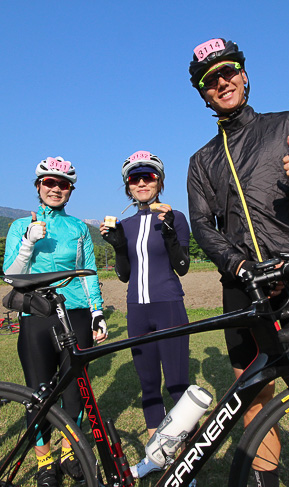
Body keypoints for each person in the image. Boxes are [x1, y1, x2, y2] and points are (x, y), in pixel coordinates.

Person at [186, 39, 289, 487]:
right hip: (244, 286)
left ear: (243, 74)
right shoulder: (202, 160)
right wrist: (237, 265)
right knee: (256, 397)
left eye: (228, 72)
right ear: (203, 94)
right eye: (209, 80)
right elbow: (202, 225)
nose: (221, 83)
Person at [4, 156, 108, 487]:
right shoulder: (21, 226)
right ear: (38, 187)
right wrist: (29, 243)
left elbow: (89, 273)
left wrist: (97, 312)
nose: (56, 189)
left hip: (74, 313)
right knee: (39, 391)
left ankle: (67, 451)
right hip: (35, 313)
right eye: (49, 183)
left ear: (70, 191)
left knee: (75, 392)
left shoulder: (79, 228)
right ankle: (44, 459)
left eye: (63, 184)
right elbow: (11, 276)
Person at [99, 151, 191, 480]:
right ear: (128, 185)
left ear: (159, 182)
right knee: (149, 385)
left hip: (168, 306)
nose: (141, 182)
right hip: (136, 310)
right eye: (135, 178)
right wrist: (117, 245)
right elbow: (124, 275)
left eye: (148, 177)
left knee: (178, 386)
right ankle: (156, 458)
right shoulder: (124, 224)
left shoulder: (175, 216)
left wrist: (167, 231)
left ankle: (186, 464)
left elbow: (183, 266)